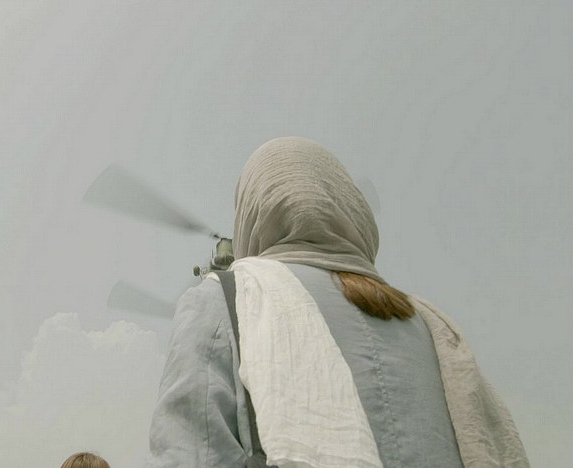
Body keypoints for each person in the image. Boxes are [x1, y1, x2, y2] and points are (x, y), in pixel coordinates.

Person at [145, 137, 529, 467]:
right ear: (350, 208)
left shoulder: (225, 298)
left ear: (252, 211)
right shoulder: (436, 329)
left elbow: (191, 454)